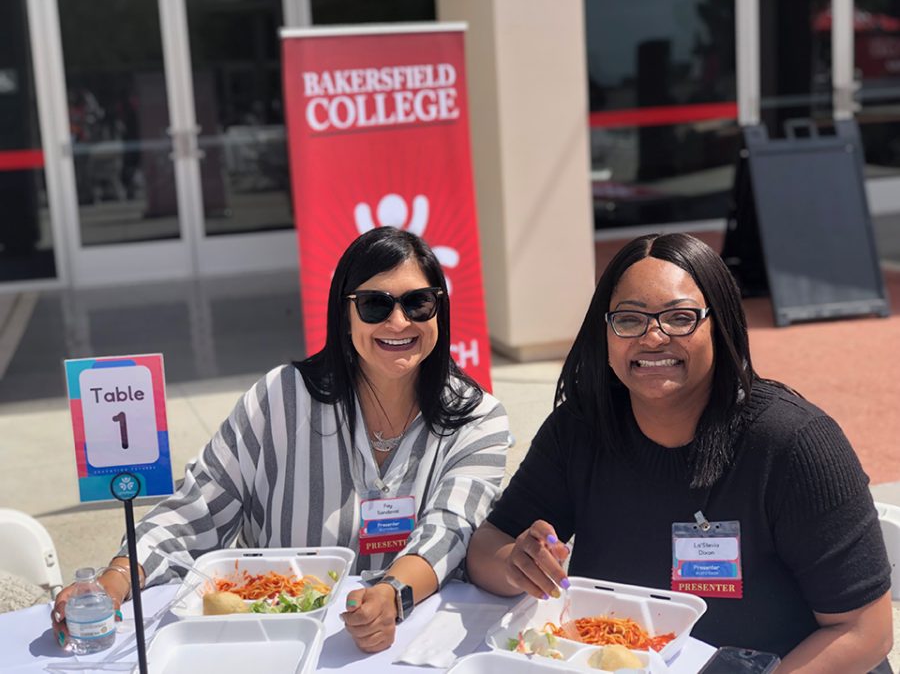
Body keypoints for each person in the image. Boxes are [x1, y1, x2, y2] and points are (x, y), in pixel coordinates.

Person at [51, 227, 509, 653]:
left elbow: (451, 528)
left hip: (410, 642)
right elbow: (198, 508)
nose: (398, 321)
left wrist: (391, 594)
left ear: (439, 310)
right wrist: (114, 579)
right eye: (374, 305)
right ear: (343, 313)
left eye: (418, 303)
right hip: (277, 637)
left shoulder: (478, 418)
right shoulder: (280, 398)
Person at [466, 233, 893, 673]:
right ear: (606, 332)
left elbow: (866, 631)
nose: (653, 338)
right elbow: (488, 548)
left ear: (721, 323)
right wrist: (517, 565)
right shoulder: (581, 429)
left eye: (680, 318)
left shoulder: (793, 444)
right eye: (630, 320)